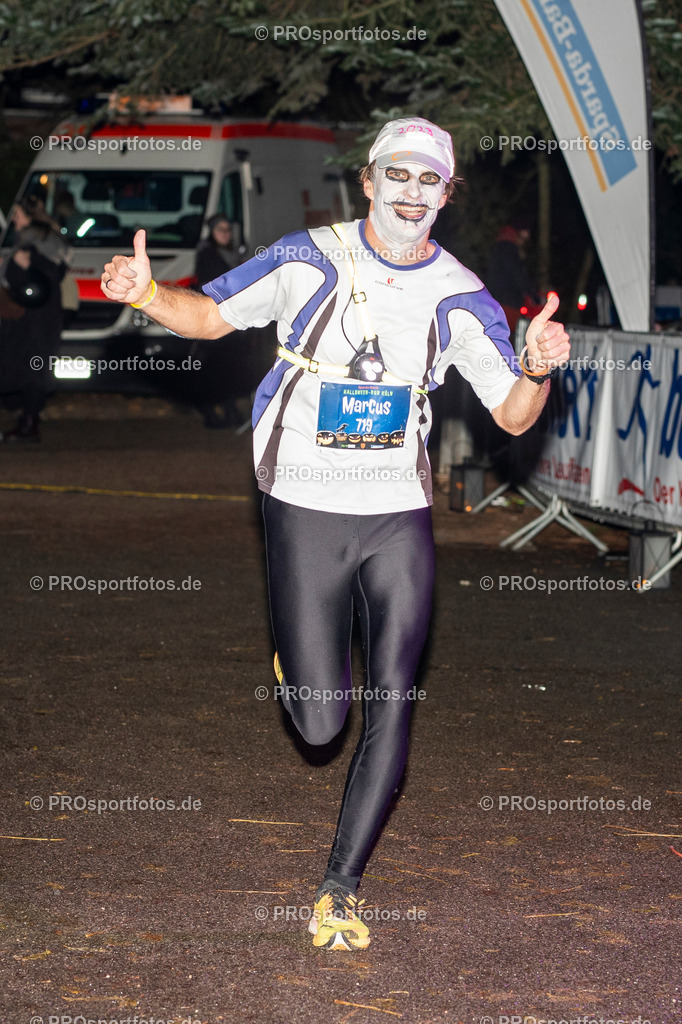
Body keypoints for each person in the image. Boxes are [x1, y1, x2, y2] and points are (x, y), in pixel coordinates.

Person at [101, 117, 570, 951]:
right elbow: (209, 318)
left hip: (396, 510)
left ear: (446, 196)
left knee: (394, 700)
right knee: (321, 725)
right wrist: (146, 293)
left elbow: (510, 412)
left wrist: (534, 368)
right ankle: (297, 666)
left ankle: (340, 889)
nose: (412, 193)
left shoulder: (461, 294)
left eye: (430, 181)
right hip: (306, 500)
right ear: (368, 181)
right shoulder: (309, 257)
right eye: (398, 175)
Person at [0, 195, 70, 442]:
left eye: (17, 214)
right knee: (35, 369)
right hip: (46, 318)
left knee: (29, 371)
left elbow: (27, 285)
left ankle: (28, 424)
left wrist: (13, 268)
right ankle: (29, 419)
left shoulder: (30, 245)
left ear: (27, 217)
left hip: (30, 321)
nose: (14, 220)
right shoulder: (52, 242)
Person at [192, 215, 245, 428]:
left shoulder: (229, 253)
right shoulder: (208, 254)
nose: (225, 233)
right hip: (214, 317)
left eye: (227, 229)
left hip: (229, 319)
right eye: (220, 230)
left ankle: (228, 411)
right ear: (212, 232)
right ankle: (213, 412)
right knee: (217, 369)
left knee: (227, 367)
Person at [486, 218, 541, 332]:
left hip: (498, 299)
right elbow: (518, 274)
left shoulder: (501, 245)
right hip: (507, 302)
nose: (528, 235)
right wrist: (534, 295)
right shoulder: (508, 248)